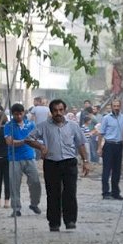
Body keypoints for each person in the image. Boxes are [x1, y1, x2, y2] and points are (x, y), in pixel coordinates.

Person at [26, 99, 90, 231]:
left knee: (70, 192)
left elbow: (81, 144)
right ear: (51, 112)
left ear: (65, 111)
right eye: (55, 110)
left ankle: (70, 220)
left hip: (69, 162)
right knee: (53, 193)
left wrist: (85, 161)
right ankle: (54, 222)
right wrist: (41, 146)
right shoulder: (43, 126)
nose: (58, 113)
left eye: (61, 110)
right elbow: (29, 139)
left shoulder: (73, 126)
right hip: (51, 163)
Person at [3, 103, 42, 218]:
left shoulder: (31, 125)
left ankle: (34, 203)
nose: (18, 116)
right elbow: (9, 142)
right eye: (16, 114)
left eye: (20, 114)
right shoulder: (8, 126)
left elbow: (36, 139)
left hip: (30, 157)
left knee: (35, 182)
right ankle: (16, 208)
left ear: (23, 113)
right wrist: (24, 141)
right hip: (14, 159)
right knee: (14, 184)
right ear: (12, 114)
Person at [96, 99, 123, 200]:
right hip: (109, 145)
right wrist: (99, 148)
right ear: (111, 107)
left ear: (120, 107)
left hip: (118, 145)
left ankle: (115, 192)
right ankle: (105, 193)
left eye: (118, 106)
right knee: (107, 170)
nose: (116, 108)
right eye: (115, 106)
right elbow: (101, 134)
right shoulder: (106, 118)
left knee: (117, 170)